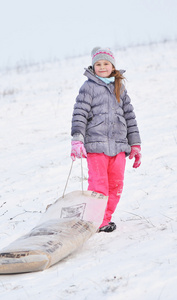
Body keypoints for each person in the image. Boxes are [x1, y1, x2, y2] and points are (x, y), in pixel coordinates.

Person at [70, 47, 141, 233]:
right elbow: (79, 114)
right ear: (93, 67)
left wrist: (135, 144)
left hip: (118, 146)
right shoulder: (88, 87)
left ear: (112, 66)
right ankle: (96, 221)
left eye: (106, 63)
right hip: (96, 146)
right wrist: (77, 139)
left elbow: (130, 117)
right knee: (98, 185)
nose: (102, 67)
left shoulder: (120, 88)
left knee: (116, 185)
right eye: (98, 64)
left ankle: (104, 219)